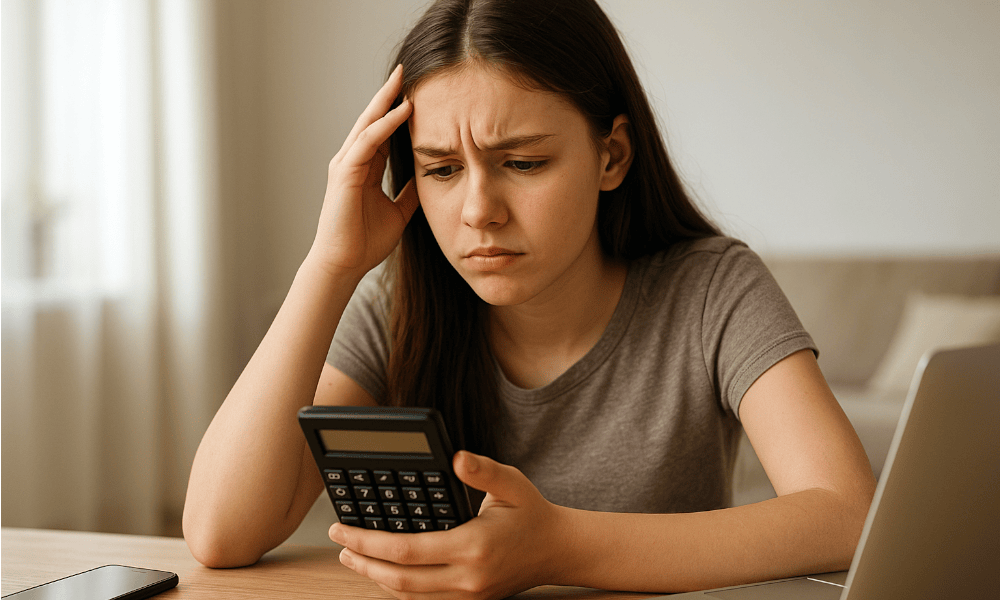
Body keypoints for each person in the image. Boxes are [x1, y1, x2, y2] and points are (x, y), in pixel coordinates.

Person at [182, 0, 876, 597]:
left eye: (522, 163)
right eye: (442, 170)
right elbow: (219, 532)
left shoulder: (712, 289)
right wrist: (330, 264)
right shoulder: (395, 304)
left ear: (611, 157)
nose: (479, 210)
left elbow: (846, 514)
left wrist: (558, 547)